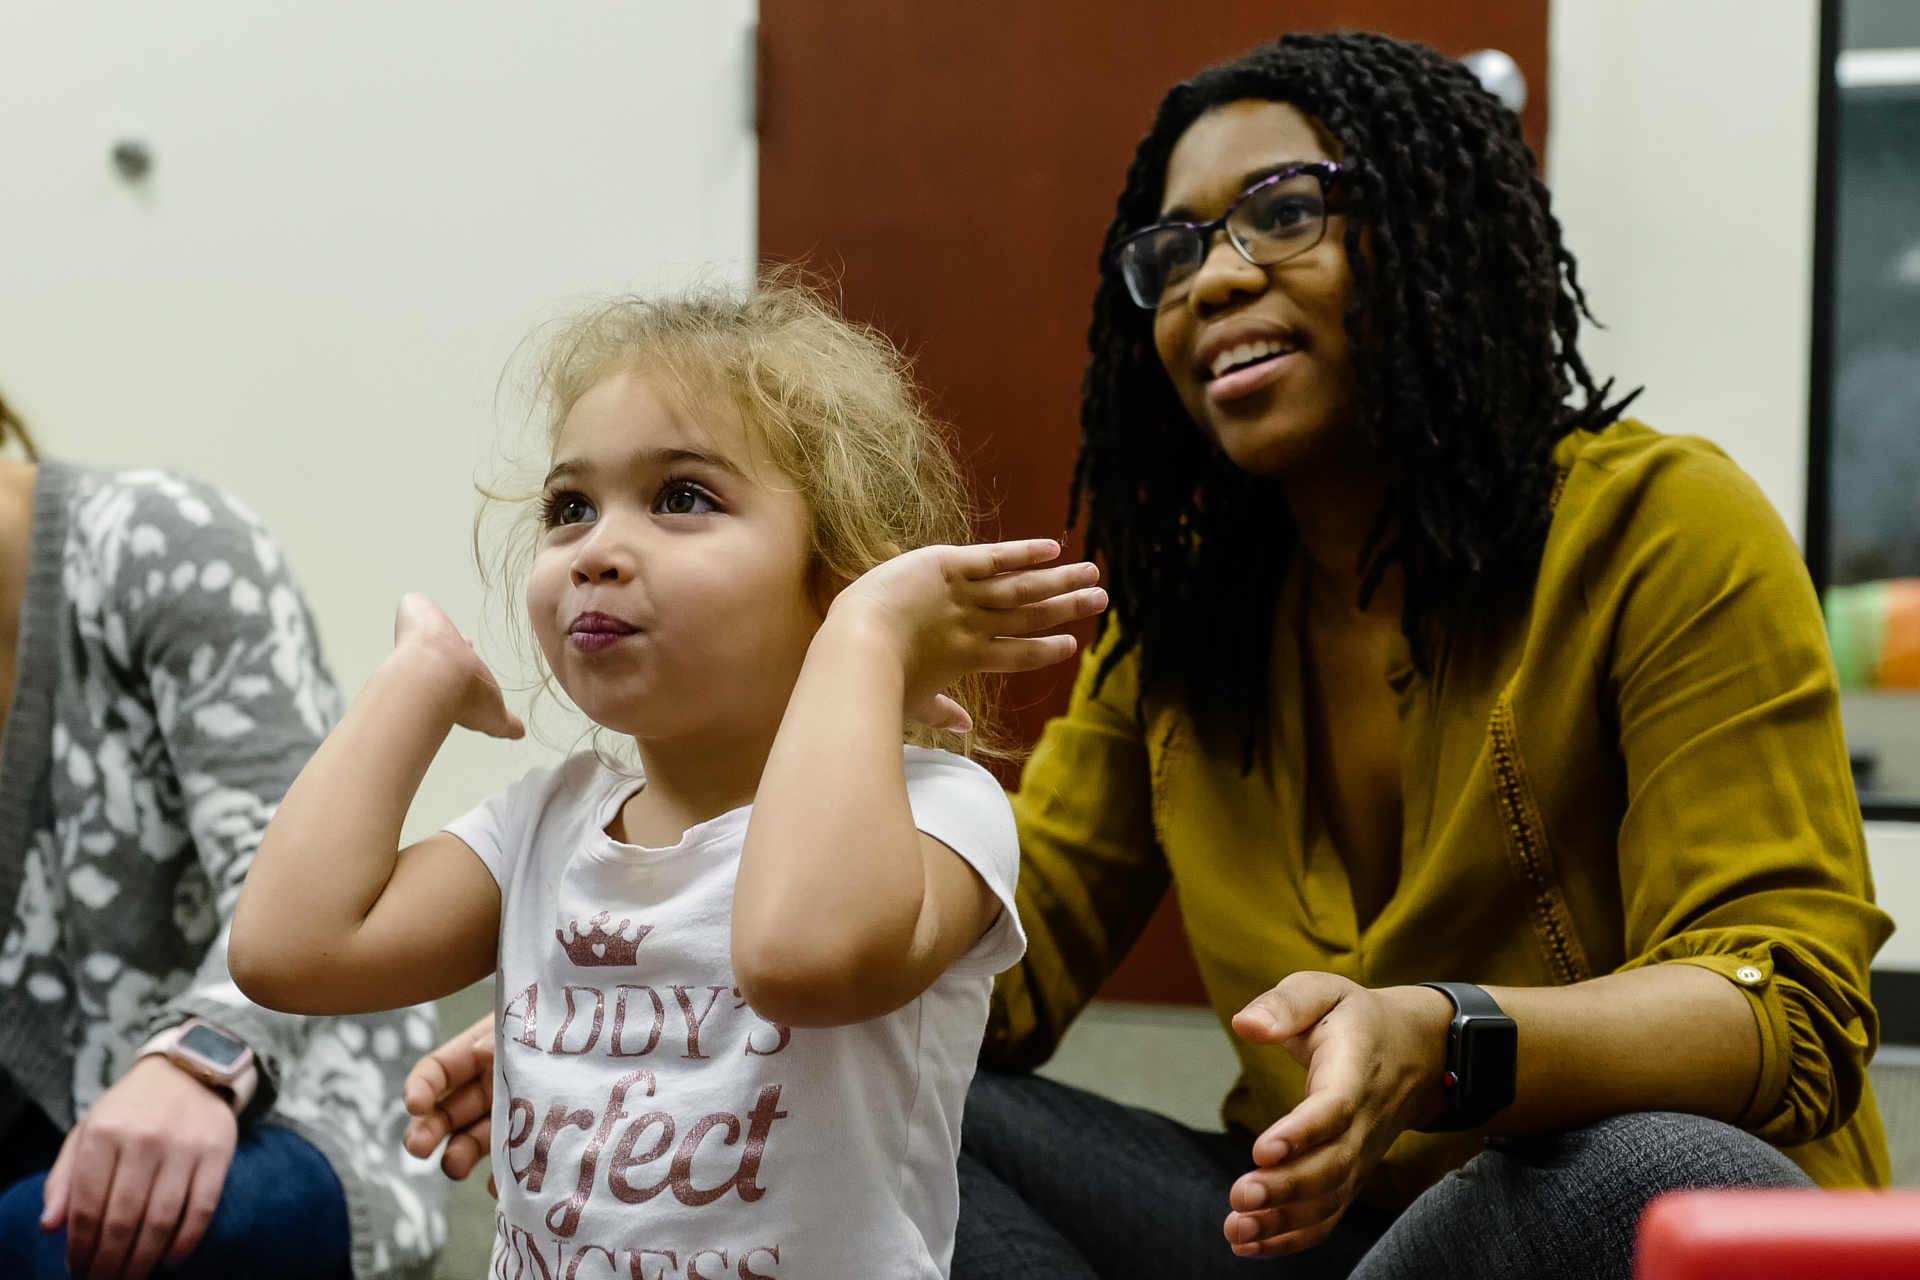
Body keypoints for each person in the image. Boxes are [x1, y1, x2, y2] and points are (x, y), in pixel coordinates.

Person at [403, 31, 1892, 1279]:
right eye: (1174, 249)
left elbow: (1784, 999)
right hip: (1299, 1224)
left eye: (1285, 212)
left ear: (1438, 230)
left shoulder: (1661, 527)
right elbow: (1003, 955)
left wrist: (1443, 1041)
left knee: (1646, 1172)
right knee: (898, 1127)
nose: (1212, 280)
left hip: (1522, 1210)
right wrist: (640, 1034)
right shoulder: (1184, 614)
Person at [228, 281, 1107, 1277]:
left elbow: (800, 960)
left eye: (682, 497)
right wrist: (416, 680)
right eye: (569, 507)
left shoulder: (940, 811)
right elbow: (289, 948)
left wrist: (864, 638)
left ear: (837, 572)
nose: (597, 548)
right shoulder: (542, 822)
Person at [0, 389, 448, 1279]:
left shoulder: (162, 541)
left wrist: (193, 1060)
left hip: (297, 1089)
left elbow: (292, 896)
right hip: (52, 1122)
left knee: (43, 1241)